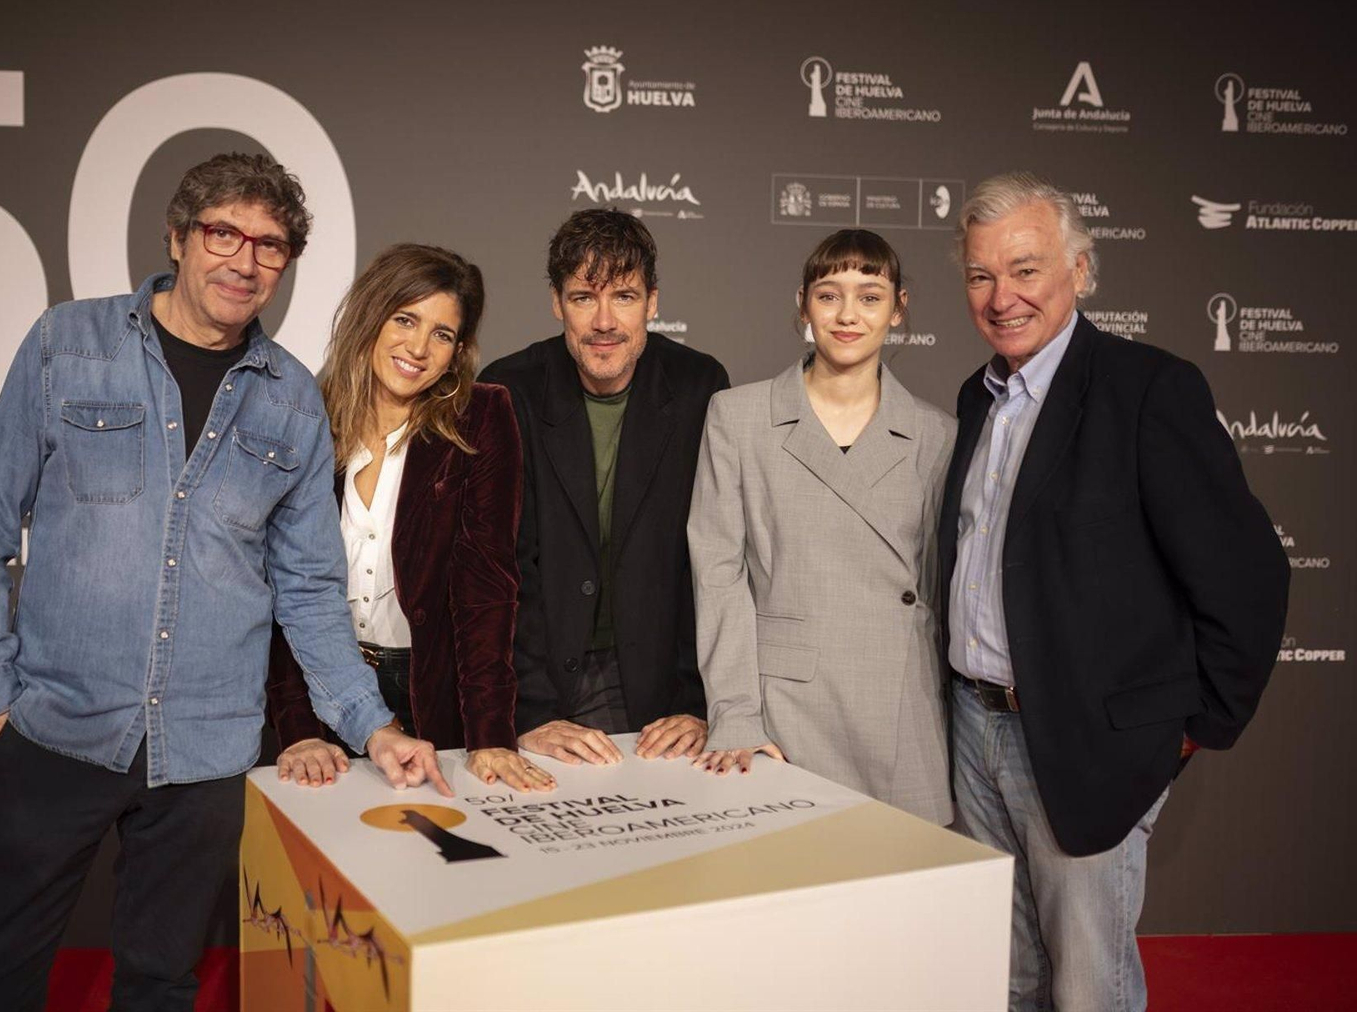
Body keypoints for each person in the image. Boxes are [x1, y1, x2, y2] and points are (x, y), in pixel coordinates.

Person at [0, 153, 449, 1012]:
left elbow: (311, 589)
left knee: (160, 986)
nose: (245, 261)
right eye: (224, 233)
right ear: (178, 236)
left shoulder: (290, 399)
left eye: (271, 245)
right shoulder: (69, 343)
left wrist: (374, 724)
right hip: (56, 728)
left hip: (205, 754)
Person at [940, 172, 1288, 1010]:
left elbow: (1247, 575)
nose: (1002, 296)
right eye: (982, 275)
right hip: (973, 729)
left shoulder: (1148, 389)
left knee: (1089, 986)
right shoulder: (975, 398)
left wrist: (1191, 727)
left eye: (1026, 269)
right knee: (1007, 977)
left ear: (1081, 271)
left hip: (1087, 743)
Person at [266, 243, 556, 793]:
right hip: (321, 682)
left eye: (442, 334)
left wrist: (491, 733)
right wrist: (297, 727)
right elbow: (282, 589)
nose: (419, 348)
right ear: (372, 316)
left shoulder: (482, 418)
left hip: (430, 687)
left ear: (459, 349)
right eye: (405, 320)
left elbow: (486, 586)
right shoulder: (306, 413)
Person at [688, 230, 955, 824]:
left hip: (901, 711)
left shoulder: (937, 433)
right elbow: (719, 575)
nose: (848, 315)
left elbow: (937, 588)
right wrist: (735, 715)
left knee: (900, 902)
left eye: (870, 295)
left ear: (898, 307)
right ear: (804, 304)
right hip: (785, 711)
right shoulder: (739, 416)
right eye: (830, 295)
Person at [481, 208, 729, 765]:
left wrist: (700, 702)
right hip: (540, 681)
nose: (604, 322)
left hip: (663, 690)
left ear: (653, 302)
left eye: (624, 296)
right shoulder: (507, 388)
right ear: (556, 304)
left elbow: (712, 558)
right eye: (583, 298)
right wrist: (532, 712)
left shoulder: (700, 386)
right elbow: (500, 566)